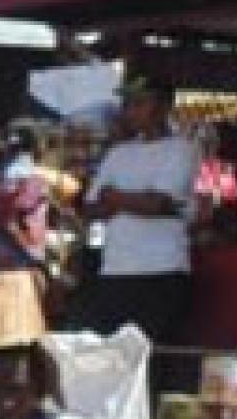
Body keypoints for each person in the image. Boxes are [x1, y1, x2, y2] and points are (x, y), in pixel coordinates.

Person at [77, 79, 200, 387]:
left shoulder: (181, 149)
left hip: (161, 270)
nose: (130, 111)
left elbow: (158, 203)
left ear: (163, 107)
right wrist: (133, 200)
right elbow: (92, 207)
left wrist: (116, 198)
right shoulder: (118, 154)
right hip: (115, 268)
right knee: (112, 358)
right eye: (128, 104)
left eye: (139, 103)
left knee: (153, 360)